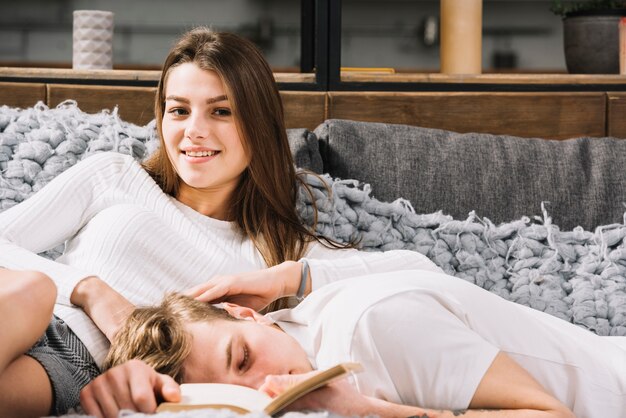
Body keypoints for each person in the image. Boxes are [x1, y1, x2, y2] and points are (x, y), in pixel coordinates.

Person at [0, 27, 440, 417]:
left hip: (76, 360)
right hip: (25, 308)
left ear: (258, 125)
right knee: (33, 290)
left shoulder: (275, 253)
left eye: (220, 111)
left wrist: (289, 276)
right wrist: (89, 289)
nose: (194, 130)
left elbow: (421, 272)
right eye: (178, 110)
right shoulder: (113, 174)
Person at [99, 269, 626, 418]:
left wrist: (368, 412)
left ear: (247, 314)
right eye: (235, 397)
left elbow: (552, 415)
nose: (265, 389)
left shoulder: (373, 328)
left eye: (243, 358)